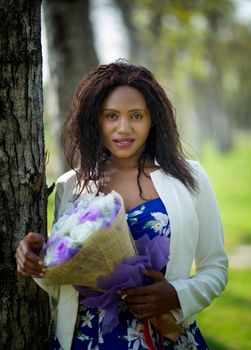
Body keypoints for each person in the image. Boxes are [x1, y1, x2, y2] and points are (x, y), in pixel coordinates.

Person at [16, 61, 228, 350]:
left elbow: (215, 268)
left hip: (165, 337)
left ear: (153, 119)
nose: (123, 128)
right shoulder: (71, 185)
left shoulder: (189, 179)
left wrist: (177, 294)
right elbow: (63, 283)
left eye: (136, 116)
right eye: (111, 116)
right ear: (95, 120)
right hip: (88, 340)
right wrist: (38, 260)